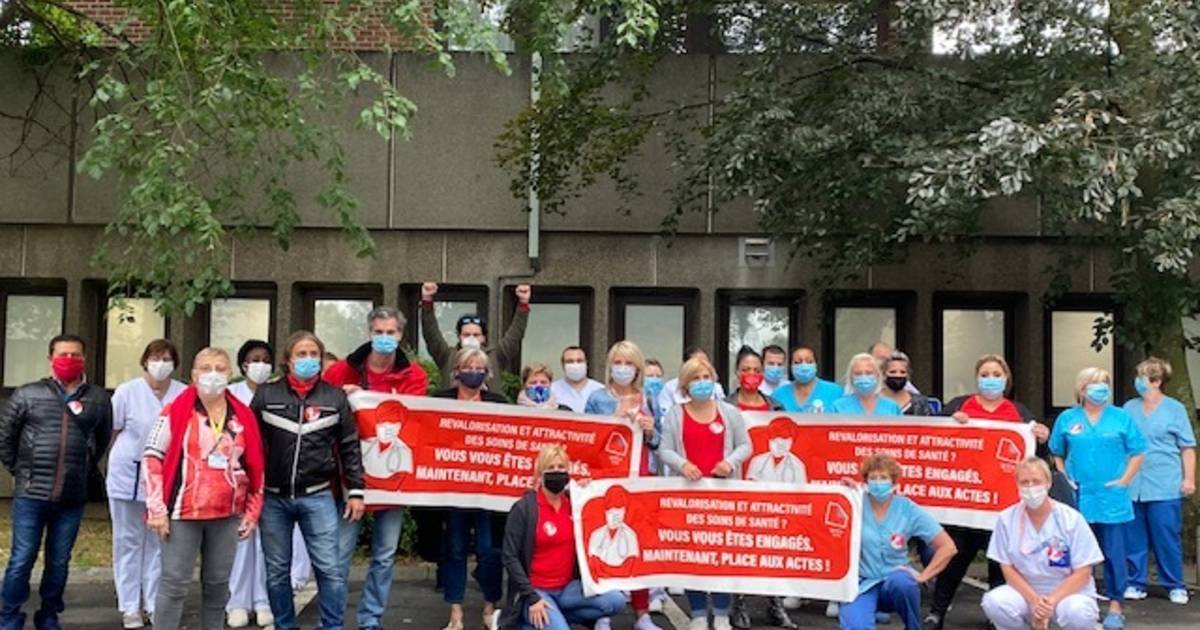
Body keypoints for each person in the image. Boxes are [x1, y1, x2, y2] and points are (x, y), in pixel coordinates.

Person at [925, 354, 1055, 630]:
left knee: (1000, 561)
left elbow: (1035, 457)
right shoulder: (960, 406)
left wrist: (1042, 439)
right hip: (965, 500)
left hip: (1003, 502)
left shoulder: (1019, 413)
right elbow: (935, 443)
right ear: (976, 377)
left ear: (1007, 379)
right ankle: (937, 612)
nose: (991, 379)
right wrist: (949, 422)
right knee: (955, 557)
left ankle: (997, 616)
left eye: (997, 374)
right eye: (985, 373)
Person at [143, 347, 265, 630]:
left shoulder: (243, 416)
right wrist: (156, 508)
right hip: (181, 512)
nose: (213, 374)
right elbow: (152, 458)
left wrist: (252, 510)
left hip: (227, 513)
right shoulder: (175, 411)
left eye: (220, 369)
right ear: (193, 374)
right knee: (174, 585)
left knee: (218, 586)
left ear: (230, 374)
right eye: (206, 368)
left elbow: (255, 466)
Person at [324, 306, 429, 630]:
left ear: (401, 335)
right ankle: (333, 621)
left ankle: (370, 620)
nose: (385, 338)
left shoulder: (414, 376)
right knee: (339, 558)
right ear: (369, 333)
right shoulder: (341, 372)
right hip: (348, 477)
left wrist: (367, 396)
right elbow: (321, 408)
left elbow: (414, 421)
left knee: (384, 557)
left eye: (392, 333)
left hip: (392, 482)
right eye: (379, 332)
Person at [252, 330, 365, 630]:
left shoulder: (335, 396)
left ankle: (331, 627)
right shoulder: (265, 395)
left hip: (317, 496)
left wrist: (356, 491)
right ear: (287, 360)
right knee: (277, 571)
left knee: (330, 570)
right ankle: (285, 626)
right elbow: (249, 446)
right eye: (301, 354)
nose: (308, 360)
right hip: (273, 497)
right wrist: (249, 490)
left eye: (314, 354)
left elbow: (350, 446)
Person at [0, 334, 112, 630]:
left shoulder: (98, 398)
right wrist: (22, 472)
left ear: (84, 359)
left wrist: (82, 468)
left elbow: (101, 442)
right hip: (31, 494)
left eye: (75, 354)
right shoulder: (27, 394)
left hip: (72, 497)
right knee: (21, 559)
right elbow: (5, 439)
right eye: (63, 354)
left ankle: (49, 615)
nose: (69, 360)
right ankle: (9, 616)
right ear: (50, 358)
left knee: (59, 561)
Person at [1049, 367, 1146, 630]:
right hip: (1079, 494)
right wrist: (1063, 476)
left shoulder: (1121, 418)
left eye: (1105, 383)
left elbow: (1139, 451)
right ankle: (1081, 603)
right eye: (1094, 384)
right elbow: (1056, 450)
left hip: (1111, 495)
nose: (1101, 388)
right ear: (1081, 389)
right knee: (1076, 552)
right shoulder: (1068, 418)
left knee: (1114, 552)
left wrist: (1125, 479)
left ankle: (1115, 606)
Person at [658, 356, 751, 630]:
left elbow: (746, 446)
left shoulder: (729, 412)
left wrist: (730, 462)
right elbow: (664, 450)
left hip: (723, 496)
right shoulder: (676, 414)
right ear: (685, 386)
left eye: (706, 377)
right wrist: (682, 464)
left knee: (720, 555)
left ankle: (722, 612)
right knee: (692, 556)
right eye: (695, 379)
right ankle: (698, 612)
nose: (702, 383)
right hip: (688, 496)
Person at [499, 445, 626, 630]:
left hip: (567, 589)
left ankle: (547, 619)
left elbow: (605, 516)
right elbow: (509, 557)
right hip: (535, 590)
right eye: (550, 468)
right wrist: (531, 597)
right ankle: (527, 619)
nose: (556, 472)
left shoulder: (576, 503)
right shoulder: (524, 509)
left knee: (616, 601)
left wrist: (590, 491)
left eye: (561, 467)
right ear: (540, 473)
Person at [582, 341, 662, 630]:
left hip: (641, 477)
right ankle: (603, 611)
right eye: (618, 362)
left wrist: (650, 430)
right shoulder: (597, 399)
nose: (623, 369)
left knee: (638, 545)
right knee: (604, 546)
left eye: (629, 364)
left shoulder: (647, 397)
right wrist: (613, 421)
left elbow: (658, 442)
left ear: (638, 368)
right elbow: (587, 442)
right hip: (607, 478)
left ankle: (642, 613)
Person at [106, 339, 186, 629]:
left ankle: (153, 603)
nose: (160, 363)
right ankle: (129, 606)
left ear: (175, 363)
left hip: (166, 479)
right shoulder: (127, 392)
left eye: (166, 358)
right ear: (145, 361)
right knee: (127, 541)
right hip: (127, 474)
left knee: (159, 542)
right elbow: (112, 432)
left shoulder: (183, 393)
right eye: (155, 357)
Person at [432, 348, 509, 630]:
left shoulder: (499, 402)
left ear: (487, 373)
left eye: (479, 367)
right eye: (468, 366)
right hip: (453, 491)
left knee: (490, 551)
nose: (473, 371)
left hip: (488, 494)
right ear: (456, 370)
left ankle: (490, 607)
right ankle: (456, 613)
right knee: (455, 549)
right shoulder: (439, 402)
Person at [981, 456, 1102, 630]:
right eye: (1025, 482)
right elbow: (1006, 567)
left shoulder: (1071, 519)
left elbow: (1083, 572)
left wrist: (1049, 602)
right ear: (1017, 485)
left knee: (1078, 612)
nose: (1030, 487)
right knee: (995, 602)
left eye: (1036, 481)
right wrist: (1035, 601)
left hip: (1067, 593)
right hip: (1025, 592)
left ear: (1048, 483)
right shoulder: (1006, 519)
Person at [724, 347, 796, 630]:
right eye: (746, 369)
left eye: (756, 370)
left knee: (774, 543)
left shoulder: (775, 406)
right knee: (740, 543)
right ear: (737, 372)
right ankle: (738, 604)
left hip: (772, 483)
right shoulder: (725, 405)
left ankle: (775, 604)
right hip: (737, 481)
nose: (751, 375)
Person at [840, 455, 956, 630]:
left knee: (903, 581)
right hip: (861, 583)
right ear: (865, 482)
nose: (878, 483)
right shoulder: (855, 503)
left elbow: (948, 547)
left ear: (894, 483)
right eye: (873, 478)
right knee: (856, 626)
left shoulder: (907, 509)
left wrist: (924, 576)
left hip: (894, 582)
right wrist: (840, 493)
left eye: (884, 478)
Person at [226, 339, 294, 629]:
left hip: (271, 476)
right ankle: (237, 602)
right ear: (243, 365)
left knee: (268, 544)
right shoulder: (230, 395)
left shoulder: (276, 393)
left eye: (266, 359)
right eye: (254, 359)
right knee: (241, 540)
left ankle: (263, 601)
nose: (260, 365)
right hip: (237, 477)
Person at [1121, 358, 1195, 605]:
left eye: (1143, 377)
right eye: (1138, 376)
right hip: (1133, 482)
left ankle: (1175, 584)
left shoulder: (1175, 409)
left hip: (1164, 482)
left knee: (1166, 535)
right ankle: (1135, 581)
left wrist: (1189, 479)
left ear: (1157, 381)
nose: (1138, 382)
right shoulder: (1129, 408)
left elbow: (1187, 447)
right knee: (1133, 536)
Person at [421, 281, 531, 391]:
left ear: (483, 337)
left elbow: (514, 336)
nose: (471, 338)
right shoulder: (447, 356)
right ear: (459, 336)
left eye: (476, 335)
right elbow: (431, 334)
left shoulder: (495, 356)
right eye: (466, 334)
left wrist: (523, 303)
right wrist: (427, 301)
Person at [655, 347, 727, 415]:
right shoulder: (670, 388)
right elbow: (664, 417)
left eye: (706, 377)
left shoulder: (716, 388)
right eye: (696, 378)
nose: (701, 366)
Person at [771, 345, 842, 413]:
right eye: (797, 362)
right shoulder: (778, 394)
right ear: (790, 366)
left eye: (809, 362)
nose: (804, 366)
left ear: (816, 365)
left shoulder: (835, 392)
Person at [831, 353, 902, 416]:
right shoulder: (838, 407)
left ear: (877, 376)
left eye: (869, 373)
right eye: (858, 374)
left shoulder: (891, 407)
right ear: (851, 378)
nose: (863, 377)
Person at [549, 346, 604, 413]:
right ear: (563, 365)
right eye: (570, 361)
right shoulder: (552, 390)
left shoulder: (600, 390)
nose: (575, 365)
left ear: (586, 363)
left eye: (579, 361)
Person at [879, 351, 932, 416]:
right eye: (892, 372)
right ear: (884, 374)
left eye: (903, 372)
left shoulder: (920, 403)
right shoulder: (873, 401)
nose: (898, 375)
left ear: (908, 375)